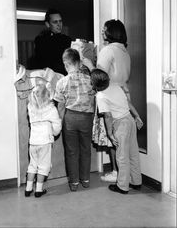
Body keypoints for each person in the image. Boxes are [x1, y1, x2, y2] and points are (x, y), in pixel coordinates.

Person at [91, 68, 143, 194]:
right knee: (133, 153)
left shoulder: (100, 96)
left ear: (95, 84)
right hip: (130, 120)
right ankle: (136, 182)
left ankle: (122, 186)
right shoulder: (115, 86)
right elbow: (128, 102)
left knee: (121, 156)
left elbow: (108, 116)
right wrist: (137, 116)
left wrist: (110, 134)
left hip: (120, 125)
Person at [54, 48, 95, 192]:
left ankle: (74, 182)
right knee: (86, 149)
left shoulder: (61, 82)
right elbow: (93, 98)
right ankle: (86, 179)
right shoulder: (90, 79)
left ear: (65, 64)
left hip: (70, 118)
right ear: (79, 62)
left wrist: (59, 122)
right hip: (86, 118)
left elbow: (60, 105)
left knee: (71, 151)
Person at [96, 19, 132, 183]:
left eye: (104, 30)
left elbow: (99, 77)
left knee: (112, 135)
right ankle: (128, 174)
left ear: (111, 32)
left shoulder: (108, 50)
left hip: (110, 95)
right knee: (123, 137)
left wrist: (88, 62)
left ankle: (116, 172)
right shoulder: (125, 52)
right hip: (123, 95)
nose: (103, 32)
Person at [25, 77, 62, 197]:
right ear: (47, 96)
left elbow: (36, 100)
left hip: (33, 142)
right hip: (45, 142)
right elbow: (57, 125)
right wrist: (55, 133)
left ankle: (28, 188)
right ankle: (39, 190)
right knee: (43, 166)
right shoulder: (51, 109)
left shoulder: (30, 108)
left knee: (32, 165)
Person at [28, 8, 72, 74]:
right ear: (48, 24)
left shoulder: (67, 40)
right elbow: (41, 62)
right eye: (55, 22)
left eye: (60, 21)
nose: (59, 24)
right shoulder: (41, 40)